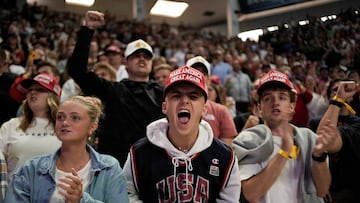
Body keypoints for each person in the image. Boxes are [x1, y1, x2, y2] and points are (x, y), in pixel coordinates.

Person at [123, 65, 241, 202]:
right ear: (164, 107)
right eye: (176, 95)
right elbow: (127, 195)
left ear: (204, 109)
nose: (184, 101)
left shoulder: (224, 156)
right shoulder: (139, 153)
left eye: (193, 96)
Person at [67, 11, 164, 166]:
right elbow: (77, 71)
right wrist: (88, 30)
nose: (142, 59)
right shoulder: (112, 90)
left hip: (153, 165)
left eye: (146, 56)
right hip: (115, 167)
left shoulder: (163, 93)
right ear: (126, 62)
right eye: (136, 55)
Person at [232, 69, 333, 203]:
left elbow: (322, 190)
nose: (275, 102)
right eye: (268, 98)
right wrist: (283, 153)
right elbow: (251, 194)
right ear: (259, 108)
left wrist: (318, 157)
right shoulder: (247, 140)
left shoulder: (309, 138)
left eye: (282, 97)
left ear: (292, 106)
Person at [5, 96, 129, 202]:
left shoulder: (109, 168)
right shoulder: (31, 168)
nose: (64, 122)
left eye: (75, 118)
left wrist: (81, 200)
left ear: (92, 127)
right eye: (60, 117)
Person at [0, 73, 62, 181]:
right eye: (30, 90)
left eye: (40, 89)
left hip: (53, 195)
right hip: (14, 194)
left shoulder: (64, 127)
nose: (33, 92)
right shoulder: (10, 125)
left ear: (53, 96)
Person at [316, 80, 360, 203]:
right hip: (337, 191)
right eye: (333, 91)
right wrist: (338, 100)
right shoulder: (356, 128)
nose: (336, 93)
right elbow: (324, 141)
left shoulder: (356, 122)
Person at [186, 56, 238, 145]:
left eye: (202, 74)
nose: (198, 76)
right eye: (193, 72)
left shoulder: (221, 111)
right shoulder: (175, 107)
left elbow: (227, 149)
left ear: (208, 80)